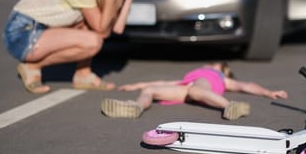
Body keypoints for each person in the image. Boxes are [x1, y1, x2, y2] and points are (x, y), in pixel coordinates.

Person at [3, 0, 135, 94]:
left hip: (38, 32)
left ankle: (83, 75)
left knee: (91, 27)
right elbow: (102, 30)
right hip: (22, 35)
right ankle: (32, 67)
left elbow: (116, 29)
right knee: (93, 42)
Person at [101, 62, 288, 120]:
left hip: (203, 86)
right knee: (151, 90)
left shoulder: (218, 76)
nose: (211, 64)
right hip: (187, 88)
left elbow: (244, 86)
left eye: (217, 65)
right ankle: (135, 106)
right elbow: (166, 82)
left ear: (221, 70)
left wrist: (268, 92)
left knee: (196, 91)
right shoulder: (193, 75)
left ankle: (231, 106)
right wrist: (137, 85)